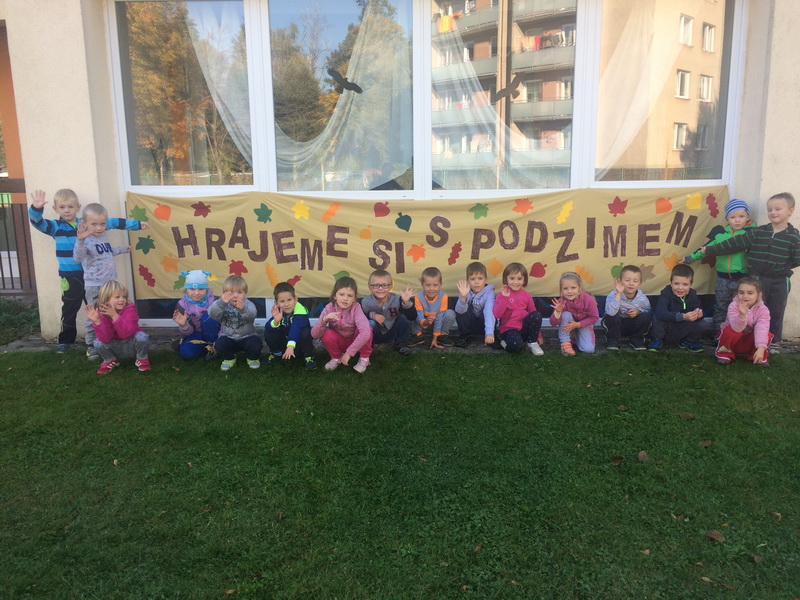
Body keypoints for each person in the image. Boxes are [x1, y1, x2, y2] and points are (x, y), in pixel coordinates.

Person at [28, 189, 146, 353]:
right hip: (71, 275)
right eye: (62, 207)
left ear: (78, 207)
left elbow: (113, 222)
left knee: (97, 308)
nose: (67, 210)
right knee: (70, 308)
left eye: (70, 206)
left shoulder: (88, 223)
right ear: (55, 209)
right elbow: (37, 222)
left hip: (93, 276)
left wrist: (137, 225)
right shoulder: (55, 226)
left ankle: (99, 341)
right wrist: (36, 208)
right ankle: (65, 340)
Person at [701, 192, 800, 353]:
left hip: (781, 280)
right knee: (754, 309)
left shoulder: (793, 237)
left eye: (778, 209)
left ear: (790, 210)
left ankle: (773, 342)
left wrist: (779, 268)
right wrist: (711, 249)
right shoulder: (758, 232)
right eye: (770, 209)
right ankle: (750, 340)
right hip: (757, 279)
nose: (773, 212)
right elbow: (734, 243)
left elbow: (796, 259)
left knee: (776, 311)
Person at [73, 203, 134, 361]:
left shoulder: (102, 237)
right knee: (94, 314)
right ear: (84, 223)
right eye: (94, 224)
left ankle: (109, 341)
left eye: (102, 224)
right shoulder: (85, 240)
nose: (99, 228)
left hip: (109, 284)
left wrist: (122, 249)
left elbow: (107, 251)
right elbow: (78, 258)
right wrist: (80, 240)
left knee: (110, 312)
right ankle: (92, 345)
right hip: (95, 285)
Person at [682, 198, 753, 335]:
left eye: (741, 216)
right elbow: (705, 249)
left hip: (742, 280)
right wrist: (689, 258)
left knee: (741, 307)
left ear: (747, 217)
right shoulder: (720, 236)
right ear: (727, 219)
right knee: (721, 306)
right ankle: (718, 333)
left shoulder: (749, 235)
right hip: (722, 279)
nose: (737, 220)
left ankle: (739, 334)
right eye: (733, 217)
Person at [84, 280, 150, 374]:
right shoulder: (101, 314)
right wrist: (97, 322)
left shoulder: (130, 310)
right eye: (117, 297)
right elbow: (105, 339)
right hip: (114, 347)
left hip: (131, 345)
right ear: (106, 299)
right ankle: (110, 360)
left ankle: (142, 358)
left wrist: (115, 316)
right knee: (98, 342)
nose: (122, 299)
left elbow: (126, 334)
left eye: (124, 297)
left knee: (142, 337)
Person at [311, 276, 373, 373]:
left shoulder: (356, 308)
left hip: (355, 342)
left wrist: (349, 353)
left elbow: (365, 333)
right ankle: (336, 358)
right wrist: (324, 320)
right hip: (340, 342)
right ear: (335, 296)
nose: (345, 298)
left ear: (354, 298)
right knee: (326, 333)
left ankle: (364, 358)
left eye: (350, 295)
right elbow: (314, 335)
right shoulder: (329, 308)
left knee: (367, 329)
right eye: (341, 294)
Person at [647, 264, 706, 352]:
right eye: (676, 283)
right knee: (657, 317)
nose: (680, 288)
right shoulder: (666, 293)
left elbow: (698, 307)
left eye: (685, 284)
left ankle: (688, 341)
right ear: (671, 283)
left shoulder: (692, 294)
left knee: (702, 323)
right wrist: (683, 316)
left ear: (690, 285)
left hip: (683, 328)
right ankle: (656, 339)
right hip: (668, 329)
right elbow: (660, 313)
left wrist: (698, 313)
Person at [715, 277, 772, 367]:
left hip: (749, 342)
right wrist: (742, 315)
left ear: (759, 295)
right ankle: (725, 354)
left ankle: (757, 356)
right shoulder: (733, 306)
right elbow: (736, 329)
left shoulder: (763, 310)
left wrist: (761, 348)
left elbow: (762, 329)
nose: (745, 296)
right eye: (741, 293)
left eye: (750, 293)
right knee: (729, 331)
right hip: (733, 342)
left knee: (766, 334)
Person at [209, 275, 262, 371]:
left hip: (247, 336)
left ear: (245, 293)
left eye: (240, 292)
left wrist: (243, 309)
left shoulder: (248, 304)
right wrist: (221, 303)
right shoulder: (221, 305)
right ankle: (229, 359)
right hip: (228, 337)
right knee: (220, 343)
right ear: (224, 293)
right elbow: (212, 314)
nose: (235, 296)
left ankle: (252, 358)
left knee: (256, 342)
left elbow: (252, 315)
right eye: (231, 293)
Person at [360, 269, 416, 356]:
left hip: (392, 331)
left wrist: (406, 303)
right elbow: (359, 319)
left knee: (403, 318)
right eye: (376, 285)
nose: (380, 288)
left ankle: (400, 343)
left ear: (390, 287)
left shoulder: (397, 299)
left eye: (385, 285)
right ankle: (369, 346)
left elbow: (412, 317)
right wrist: (372, 315)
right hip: (376, 333)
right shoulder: (365, 302)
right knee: (370, 323)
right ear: (370, 287)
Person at [492, 262, 543, 354]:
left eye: (519, 279)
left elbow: (534, 315)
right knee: (515, 346)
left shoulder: (527, 295)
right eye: (512, 278)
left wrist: (538, 335)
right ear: (506, 279)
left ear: (524, 280)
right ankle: (503, 342)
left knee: (536, 315)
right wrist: (505, 298)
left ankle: (532, 342)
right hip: (509, 330)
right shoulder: (501, 295)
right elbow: (497, 314)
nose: (516, 282)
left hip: (524, 329)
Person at [264, 281, 316, 370]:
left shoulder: (301, 312)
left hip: (297, 344)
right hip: (286, 344)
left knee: (305, 332)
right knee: (270, 330)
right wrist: (276, 322)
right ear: (276, 303)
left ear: (295, 299)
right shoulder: (279, 311)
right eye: (282, 301)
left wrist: (290, 346)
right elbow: (267, 327)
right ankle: (277, 354)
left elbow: (295, 329)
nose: (286, 304)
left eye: (289, 300)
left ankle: (308, 356)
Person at [172, 270, 220, 360]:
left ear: (206, 289)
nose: (197, 293)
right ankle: (201, 347)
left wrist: (221, 337)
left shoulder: (215, 301)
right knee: (187, 354)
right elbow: (189, 332)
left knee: (207, 317)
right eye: (192, 289)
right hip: (195, 334)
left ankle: (214, 346)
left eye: (201, 289)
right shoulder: (181, 305)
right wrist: (184, 325)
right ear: (186, 290)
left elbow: (224, 323)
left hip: (213, 333)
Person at [601, 265, 652, 351]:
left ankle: (636, 339)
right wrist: (619, 293)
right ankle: (613, 340)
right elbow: (610, 313)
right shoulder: (613, 295)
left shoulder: (642, 298)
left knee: (645, 316)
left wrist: (638, 312)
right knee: (613, 315)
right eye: (627, 280)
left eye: (635, 281)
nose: (631, 283)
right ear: (620, 281)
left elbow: (648, 311)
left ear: (640, 284)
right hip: (616, 326)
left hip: (632, 326)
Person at [549, 272, 599, 356]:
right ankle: (565, 343)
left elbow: (594, 317)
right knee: (565, 314)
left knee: (588, 349)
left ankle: (575, 335)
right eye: (565, 288)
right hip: (570, 324)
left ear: (580, 288)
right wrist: (557, 312)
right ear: (561, 290)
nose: (569, 291)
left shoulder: (588, 299)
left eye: (573, 288)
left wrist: (577, 325)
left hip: (583, 324)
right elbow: (553, 323)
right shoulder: (561, 302)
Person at [412, 266, 456, 348]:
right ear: (422, 284)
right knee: (411, 312)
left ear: (440, 285)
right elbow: (419, 317)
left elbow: (439, 317)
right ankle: (418, 335)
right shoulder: (418, 297)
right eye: (428, 285)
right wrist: (426, 322)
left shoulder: (443, 296)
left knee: (450, 313)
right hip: (424, 324)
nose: (431, 289)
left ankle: (441, 335)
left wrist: (434, 338)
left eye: (435, 285)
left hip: (438, 324)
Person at [454, 261, 496, 348]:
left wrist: (489, 332)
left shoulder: (489, 293)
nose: (476, 282)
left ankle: (490, 336)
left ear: (486, 280)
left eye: (480, 278)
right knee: (462, 307)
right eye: (472, 279)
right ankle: (464, 335)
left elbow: (489, 312)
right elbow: (459, 312)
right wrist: (463, 297)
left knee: (490, 310)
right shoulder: (465, 290)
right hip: (470, 324)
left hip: (483, 324)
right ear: (468, 281)